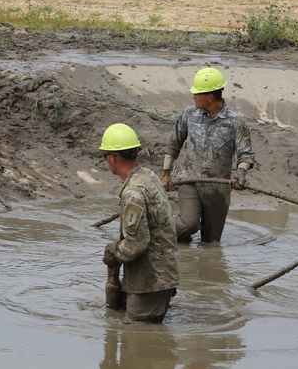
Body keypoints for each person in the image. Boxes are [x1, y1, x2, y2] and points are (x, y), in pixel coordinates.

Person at [160, 67, 255, 243]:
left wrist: (240, 174)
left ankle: (181, 245)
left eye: (197, 94)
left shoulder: (236, 122)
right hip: (189, 181)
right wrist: (165, 172)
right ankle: (158, 234)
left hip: (217, 189)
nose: (193, 97)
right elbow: (173, 145)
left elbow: (245, 155)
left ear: (210, 96)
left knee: (211, 243)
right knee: (189, 223)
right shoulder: (189, 114)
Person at [100, 123, 179, 322]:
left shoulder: (133, 193)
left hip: (151, 282)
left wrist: (113, 251)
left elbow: (136, 244)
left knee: (136, 340)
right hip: (162, 275)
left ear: (112, 158)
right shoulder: (149, 176)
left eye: (105, 157)